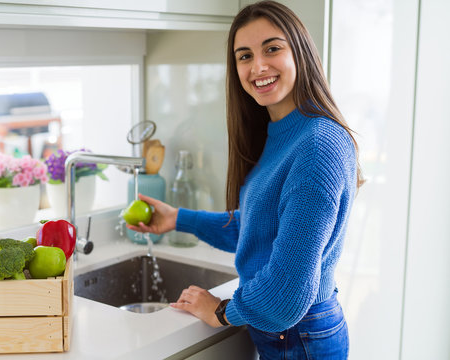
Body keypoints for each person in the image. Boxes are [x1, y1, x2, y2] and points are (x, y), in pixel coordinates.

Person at [127, 1, 363, 359]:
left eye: (272, 48)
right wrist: (179, 219)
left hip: (298, 337)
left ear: (299, 51)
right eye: (244, 56)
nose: (258, 66)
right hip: (291, 336)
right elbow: (262, 228)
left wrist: (221, 312)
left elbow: (286, 294)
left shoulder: (316, 145)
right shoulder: (283, 132)